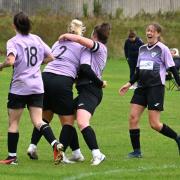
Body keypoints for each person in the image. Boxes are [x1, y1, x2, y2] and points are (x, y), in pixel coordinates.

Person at [0, 12, 63, 165]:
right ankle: (55, 144)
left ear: (14, 25)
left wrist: (1, 65)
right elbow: (51, 57)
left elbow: (11, 60)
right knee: (38, 121)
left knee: (13, 123)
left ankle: (12, 157)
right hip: (36, 86)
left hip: (20, 87)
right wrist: (35, 65)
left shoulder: (13, 41)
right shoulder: (36, 39)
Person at [27, 19, 86, 163]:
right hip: (62, 81)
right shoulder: (82, 46)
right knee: (68, 121)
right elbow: (83, 67)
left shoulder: (58, 42)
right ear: (81, 31)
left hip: (45, 77)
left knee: (45, 116)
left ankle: (32, 146)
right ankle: (61, 154)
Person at [119, 23, 180, 158]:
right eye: (148, 30)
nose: (149, 33)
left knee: (154, 124)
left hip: (155, 88)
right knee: (133, 118)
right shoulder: (142, 49)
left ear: (158, 34)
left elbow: (172, 68)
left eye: (152, 31)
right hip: (141, 88)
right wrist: (129, 84)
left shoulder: (163, 49)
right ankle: (136, 151)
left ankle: (177, 138)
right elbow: (138, 71)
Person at [59, 22, 110, 165]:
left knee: (82, 122)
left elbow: (86, 68)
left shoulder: (99, 48)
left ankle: (97, 154)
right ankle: (66, 154)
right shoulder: (88, 51)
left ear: (94, 35)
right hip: (85, 90)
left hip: (92, 90)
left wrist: (65, 35)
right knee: (67, 118)